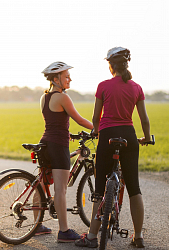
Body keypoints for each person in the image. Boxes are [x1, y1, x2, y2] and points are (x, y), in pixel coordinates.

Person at [75, 47, 151, 249]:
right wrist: (146, 137)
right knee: (134, 188)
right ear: (126, 65)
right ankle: (138, 236)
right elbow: (144, 118)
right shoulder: (136, 88)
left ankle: (91, 236)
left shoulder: (103, 86)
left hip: (107, 137)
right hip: (129, 136)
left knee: (99, 187)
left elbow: (95, 118)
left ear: (110, 66)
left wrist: (96, 131)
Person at [35, 61, 94, 242]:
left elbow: (54, 122)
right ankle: (64, 231)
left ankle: (37, 225)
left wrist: (65, 132)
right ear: (56, 79)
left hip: (44, 143)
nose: (69, 79)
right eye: (66, 76)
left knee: (41, 184)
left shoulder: (44, 98)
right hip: (58, 145)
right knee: (60, 189)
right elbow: (79, 119)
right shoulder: (63, 98)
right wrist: (98, 130)